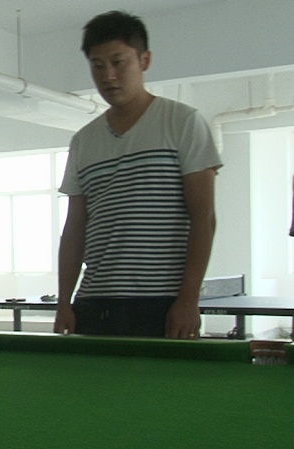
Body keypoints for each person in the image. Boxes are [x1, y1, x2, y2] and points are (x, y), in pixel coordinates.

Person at [53, 11, 222, 339]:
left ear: (144, 60)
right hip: (94, 302)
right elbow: (74, 230)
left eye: (119, 62)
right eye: (97, 65)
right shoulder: (83, 141)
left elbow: (204, 218)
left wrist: (189, 300)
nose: (109, 76)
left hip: (162, 304)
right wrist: (64, 302)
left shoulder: (182, 122)